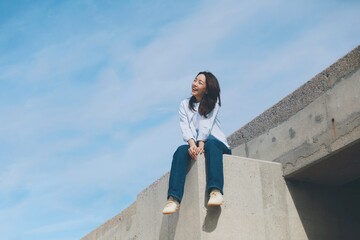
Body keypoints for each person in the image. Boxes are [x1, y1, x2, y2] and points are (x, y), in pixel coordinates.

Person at [162, 71, 231, 215]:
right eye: (195, 80)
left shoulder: (214, 103)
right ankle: (173, 199)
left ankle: (215, 191)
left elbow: (206, 125)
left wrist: (200, 145)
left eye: (200, 82)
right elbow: (185, 127)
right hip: (196, 144)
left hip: (217, 144)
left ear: (207, 88)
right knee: (181, 151)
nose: (195, 84)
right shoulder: (184, 105)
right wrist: (192, 145)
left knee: (211, 144)